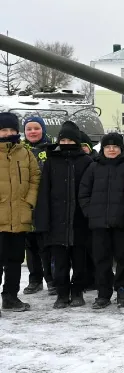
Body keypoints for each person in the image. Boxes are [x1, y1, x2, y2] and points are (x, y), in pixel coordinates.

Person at [34, 120, 93, 308]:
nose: (66, 143)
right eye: (63, 140)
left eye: (70, 140)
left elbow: (90, 191)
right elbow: (44, 193)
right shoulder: (52, 162)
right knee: (59, 263)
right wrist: (42, 221)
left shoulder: (86, 162)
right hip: (57, 222)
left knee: (79, 262)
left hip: (79, 222)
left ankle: (77, 292)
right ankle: (61, 293)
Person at [78, 131, 124, 309]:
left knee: (123, 258)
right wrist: (90, 212)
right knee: (101, 259)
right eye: (107, 147)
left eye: (115, 146)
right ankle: (103, 293)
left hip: (122, 222)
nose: (111, 150)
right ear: (102, 149)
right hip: (99, 223)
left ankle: (122, 290)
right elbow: (84, 193)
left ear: (121, 148)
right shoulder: (94, 167)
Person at [0, 112, 40, 314]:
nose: (8, 133)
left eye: (12, 130)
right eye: (4, 130)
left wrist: (29, 203)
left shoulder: (25, 153)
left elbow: (35, 179)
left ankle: (10, 297)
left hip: (19, 215)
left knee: (15, 260)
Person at [21, 115, 52, 295]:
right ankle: (35, 280)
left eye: (36, 128)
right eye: (29, 129)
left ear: (43, 129)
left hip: (46, 202)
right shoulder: (20, 150)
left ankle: (51, 279)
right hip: (25, 202)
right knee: (30, 245)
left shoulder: (50, 150)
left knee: (46, 245)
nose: (33, 132)